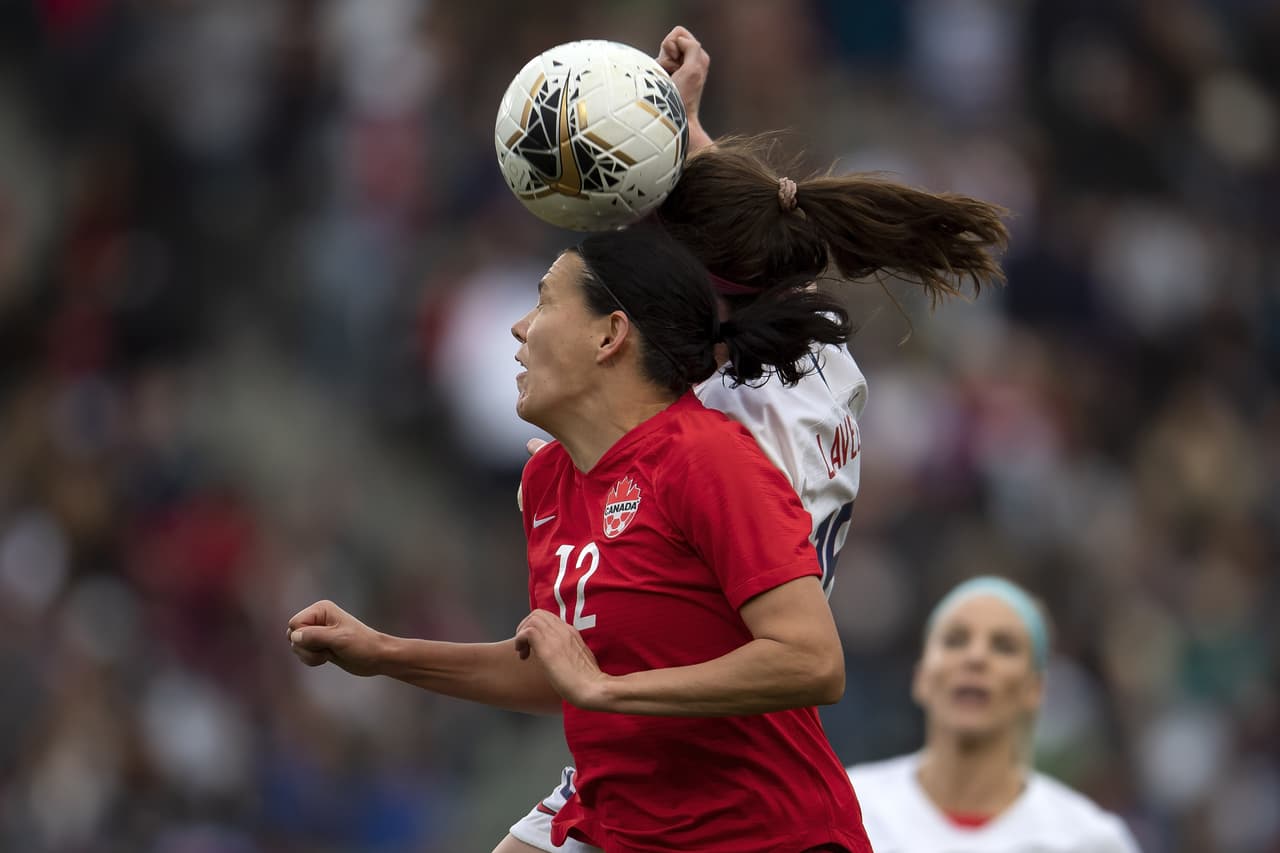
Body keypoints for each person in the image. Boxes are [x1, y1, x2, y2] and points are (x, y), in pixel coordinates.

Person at [501, 27, 1007, 853]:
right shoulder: (808, 341)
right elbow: (741, 215)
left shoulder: (724, 435)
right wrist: (675, 122)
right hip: (671, 722)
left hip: (704, 732)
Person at [293, 222, 873, 852]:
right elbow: (565, 678)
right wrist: (382, 653)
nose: (519, 328)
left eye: (543, 301)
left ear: (609, 335)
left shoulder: (706, 459)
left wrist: (605, 691)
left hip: (765, 836)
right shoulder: (547, 481)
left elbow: (812, 660)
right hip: (622, 825)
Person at [846, 576, 1143, 853]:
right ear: (922, 676)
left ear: (1035, 689)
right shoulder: (848, 808)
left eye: (1004, 646)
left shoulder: (1088, 840)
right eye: (955, 640)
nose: (976, 658)